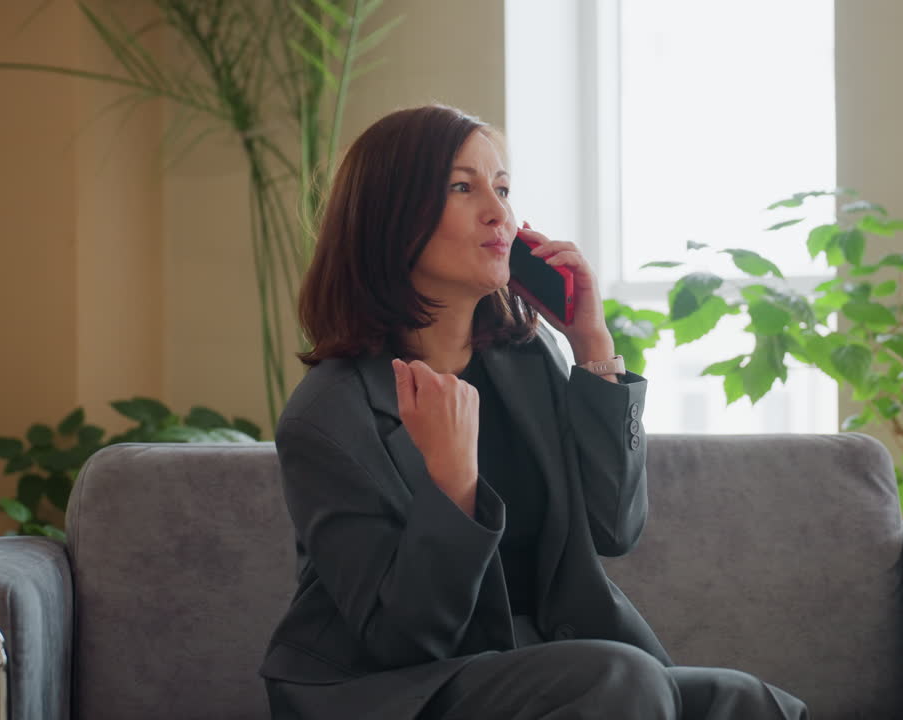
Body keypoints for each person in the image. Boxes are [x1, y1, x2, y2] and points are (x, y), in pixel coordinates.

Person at [259, 104, 807, 720]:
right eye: (462, 187)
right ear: (389, 219)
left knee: (752, 703)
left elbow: (614, 528)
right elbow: (404, 639)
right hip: (399, 689)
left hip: (542, 660)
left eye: (503, 188)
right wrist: (452, 483)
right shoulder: (330, 414)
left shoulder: (526, 362)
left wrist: (592, 348)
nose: (499, 214)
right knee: (620, 678)